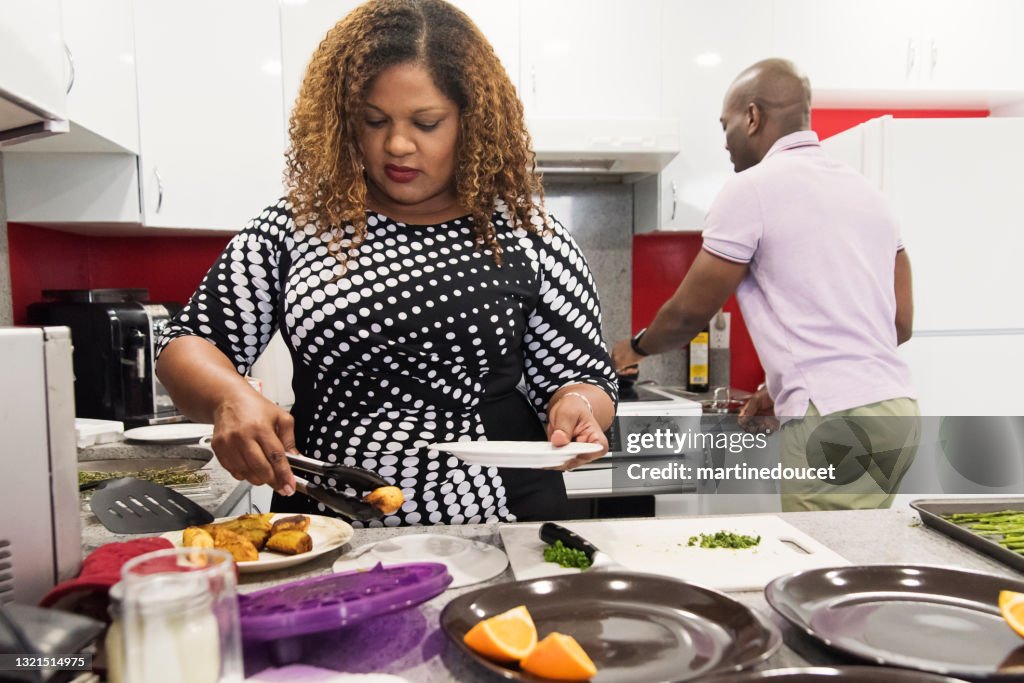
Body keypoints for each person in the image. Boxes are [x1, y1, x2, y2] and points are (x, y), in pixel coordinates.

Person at [156, 0, 617, 526]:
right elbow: (187, 343)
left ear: (473, 122)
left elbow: (583, 379)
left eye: (427, 122)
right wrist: (228, 397)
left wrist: (580, 407)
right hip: (329, 520)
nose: (397, 145)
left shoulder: (530, 236)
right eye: (374, 121)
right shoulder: (298, 226)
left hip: (503, 519)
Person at [612, 58, 919, 511]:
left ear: (753, 117)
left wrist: (634, 348)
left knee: (818, 572)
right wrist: (783, 387)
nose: (725, 142)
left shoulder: (752, 189)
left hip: (834, 423)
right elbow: (900, 323)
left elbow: (688, 314)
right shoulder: (867, 193)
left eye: (726, 125)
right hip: (898, 412)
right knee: (853, 565)